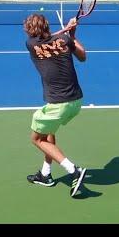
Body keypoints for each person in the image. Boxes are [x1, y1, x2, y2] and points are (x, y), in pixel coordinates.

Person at [23, 13, 87, 198]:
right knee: (49, 132)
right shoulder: (65, 40)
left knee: (36, 139)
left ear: (29, 29)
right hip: (76, 101)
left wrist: (66, 32)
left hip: (59, 103)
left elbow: (44, 41)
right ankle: (45, 174)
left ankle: (73, 170)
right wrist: (72, 34)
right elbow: (82, 57)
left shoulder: (30, 45)